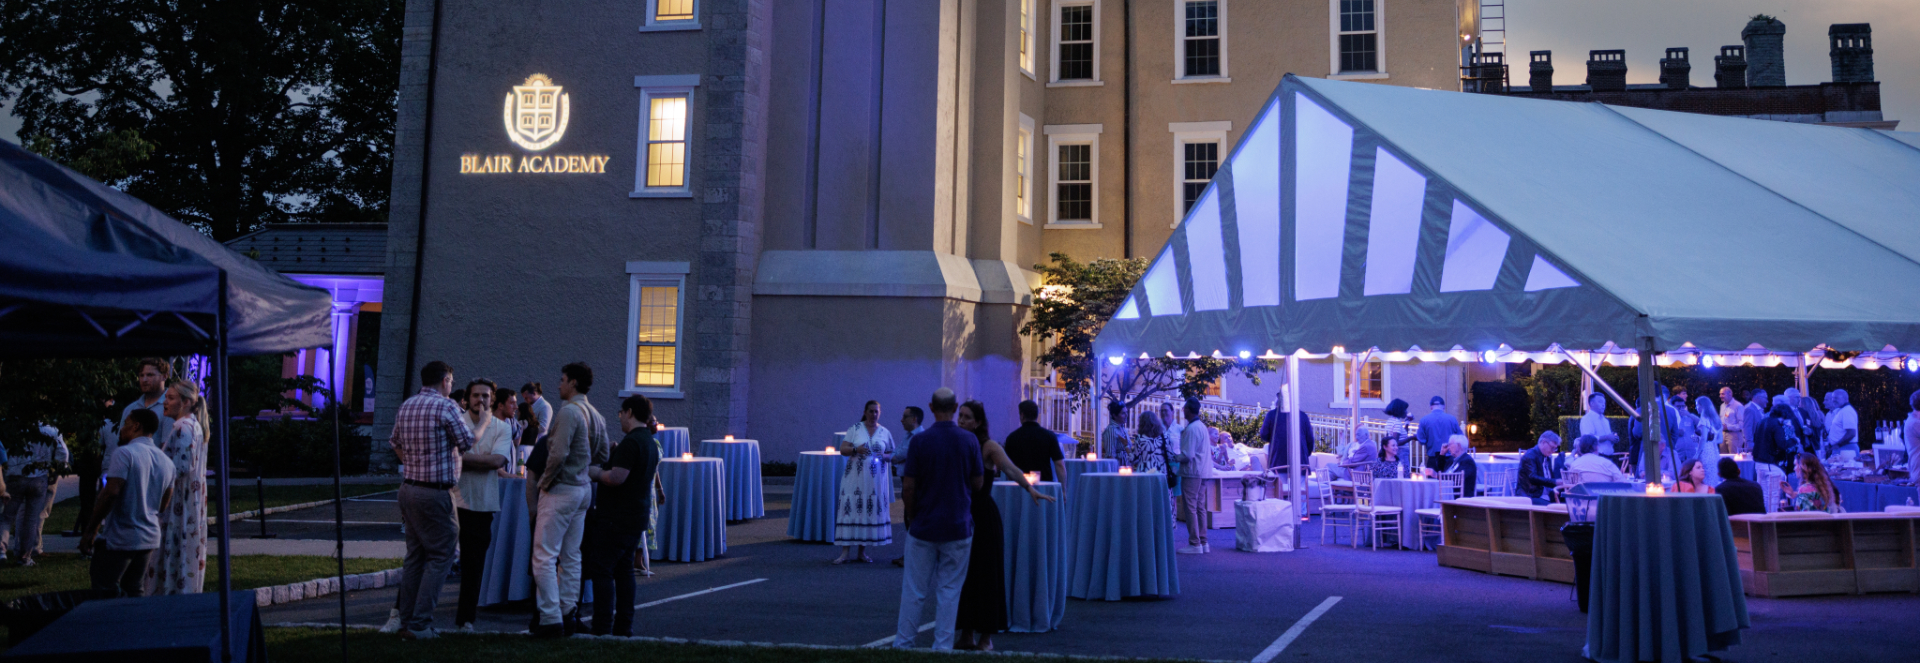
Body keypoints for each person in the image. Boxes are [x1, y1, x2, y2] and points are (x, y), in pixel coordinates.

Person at [378, 361, 476, 639]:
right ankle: (420, 624)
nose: (451, 386)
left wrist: (414, 464)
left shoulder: (407, 405)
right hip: (435, 492)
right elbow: (467, 442)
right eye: (451, 382)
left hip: (408, 488)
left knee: (415, 556)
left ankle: (406, 619)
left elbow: (394, 442)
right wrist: (481, 424)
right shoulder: (447, 407)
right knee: (443, 554)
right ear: (445, 380)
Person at [952, 400, 1053, 651]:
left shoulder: (989, 446)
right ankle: (966, 633)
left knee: (986, 575)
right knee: (963, 576)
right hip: (961, 513)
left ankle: (986, 637)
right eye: (960, 416)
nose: (961, 421)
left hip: (983, 517)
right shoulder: (956, 442)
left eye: (967, 417)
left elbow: (1010, 468)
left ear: (978, 422)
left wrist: (1029, 488)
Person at [893, 388, 984, 651]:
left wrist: (913, 515)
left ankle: (904, 643)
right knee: (950, 590)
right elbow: (978, 483)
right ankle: (943, 646)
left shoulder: (920, 441)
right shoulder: (969, 440)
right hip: (957, 525)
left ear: (931, 407)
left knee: (914, 590)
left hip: (924, 524)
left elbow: (908, 486)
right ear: (955, 408)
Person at [531, 363, 610, 638]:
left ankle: (550, 618)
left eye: (563, 379)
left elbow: (557, 454)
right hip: (583, 488)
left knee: (544, 555)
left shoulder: (568, 412)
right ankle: (567, 612)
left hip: (562, 488)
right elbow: (602, 453)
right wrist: (583, 463)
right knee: (571, 555)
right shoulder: (595, 414)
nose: (559, 384)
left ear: (573, 382)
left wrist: (545, 482)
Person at [583, 395, 662, 637]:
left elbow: (617, 477)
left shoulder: (632, 442)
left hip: (616, 518)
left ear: (629, 412)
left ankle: (602, 626)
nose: (620, 419)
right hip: (636, 516)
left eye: (621, 414)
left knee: (602, 570)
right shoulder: (649, 442)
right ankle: (623, 626)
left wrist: (595, 472)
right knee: (624, 571)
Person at [82, 409, 174, 596]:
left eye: (125, 424)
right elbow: (163, 505)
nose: (122, 429)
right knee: (134, 590)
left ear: (136, 426)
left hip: (121, 536)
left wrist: (91, 530)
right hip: (149, 537)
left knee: (104, 588)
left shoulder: (124, 454)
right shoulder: (167, 462)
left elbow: (110, 493)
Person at [452, 379, 512, 631]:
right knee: (429, 559)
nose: (480, 400)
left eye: (485, 396)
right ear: (467, 399)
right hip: (451, 501)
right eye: (476, 395)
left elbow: (497, 461)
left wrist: (460, 458)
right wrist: (479, 460)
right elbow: (455, 457)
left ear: (492, 399)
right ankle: (404, 615)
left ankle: (465, 621)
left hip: (482, 505)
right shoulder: (456, 422)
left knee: (473, 566)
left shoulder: (502, 428)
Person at [148, 381, 207, 594]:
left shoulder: (184, 427)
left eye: (171, 398)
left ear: (186, 402)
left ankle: (171, 593)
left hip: (179, 500)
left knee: (175, 548)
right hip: (188, 499)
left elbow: (180, 467)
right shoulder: (191, 425)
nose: (165, 402)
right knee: (182, 550)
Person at [835, 400, 895, 564]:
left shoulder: (884, 432)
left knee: (867, 511)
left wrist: (885, 456)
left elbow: (892, 453)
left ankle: (862, 552)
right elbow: (843, 449)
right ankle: (844, 552)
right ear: (865, 412)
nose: (873, 414)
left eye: (876, 411)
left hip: (875, 481)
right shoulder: (855, 429)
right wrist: (856, 449)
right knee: (851, 509)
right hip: (854, 478)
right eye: (871, 411)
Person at [1, 423, 67, 566]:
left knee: (7, 516)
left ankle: (2, 550)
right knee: (31, 519)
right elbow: (63, 453)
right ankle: (25, 556)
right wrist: (55, 469)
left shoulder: (12, 427)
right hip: (39, 477)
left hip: (15, 475)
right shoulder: (51, 430)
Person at [890, 406, 927, 568]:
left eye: (904, 417)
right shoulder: (908, 436)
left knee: (912, 517)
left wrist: (891, 457)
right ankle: (911, 554)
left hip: (913, 483)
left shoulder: (918, 438)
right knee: (908, 517)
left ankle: (914, 556)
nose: (901, 420)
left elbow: (898, 455)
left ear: (914, 419)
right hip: (906, 480)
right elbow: (897, 453)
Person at [115, 359, 175, 457]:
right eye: (141, 375)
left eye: (150, 375)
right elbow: (121, 442)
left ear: (164, 376)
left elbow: (168, 449)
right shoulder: (130, 409)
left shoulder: (170, 408)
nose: (144, 380)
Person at [1175, 398, 1212, 554]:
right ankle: (1203, 542)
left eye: (1184, 408)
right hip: (1203, 471)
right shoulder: (1202, 426)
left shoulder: (1191, 429)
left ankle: (1194, 543)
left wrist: (1174, 457)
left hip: (1192, 472)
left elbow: (1188, 455)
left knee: (1190, 507)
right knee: (1200, 507)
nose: (1183, 411)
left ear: (1188, 410)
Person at [1003, 401, 1066, 483]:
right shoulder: (1049, 436)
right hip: (1044, 485)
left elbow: (1008, 467)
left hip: (1019, 485)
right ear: (1037, 415)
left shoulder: (1012, 438)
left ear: (1022, 415)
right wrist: (1063, 488)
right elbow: (1059, 464)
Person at [1257, 388, 1317, 473]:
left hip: (1278, 465)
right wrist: (1304, 455)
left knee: (1279, 481)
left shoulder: (1271, 415)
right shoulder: (1303, 416)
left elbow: (1264, 435)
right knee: (1301, 481)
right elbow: (1310, 441)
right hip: (1301, 466)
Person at [1422, 434, 1477, 500]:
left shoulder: (1467, 461)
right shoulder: (1452, 460)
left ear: (1458, 446)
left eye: (1450, 444)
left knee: (1429, 496)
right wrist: (1442, 454)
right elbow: (1441, 468)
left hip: (1458, 496)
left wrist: (1436, 475)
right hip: (1447, 493)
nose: (1448, 447)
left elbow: (1457, 477)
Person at [1416, 396, 1464, 468]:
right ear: (1444, 406)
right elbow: (1460, 437)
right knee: (1449, 475)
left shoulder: (1423, 420)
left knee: (1432, 475)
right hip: (1449, 458)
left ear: (1431, 407)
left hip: (1433, 459)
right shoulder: (1452, 419)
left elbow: (1422, 440)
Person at [1565, 435, 1632, 486]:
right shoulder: (1607, 463)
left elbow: (1571, 485)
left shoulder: (1574, 465)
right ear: (1597, 447)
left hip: (1581, 499)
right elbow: (1623, 483)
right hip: (1604, 499)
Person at [1517, 431, 1562, 504]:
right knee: (1555, 507)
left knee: (1568, 501)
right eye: (1552, 448)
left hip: (1543, 495)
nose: (1553, 451)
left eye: (1555, 448)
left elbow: (1549, 477)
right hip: (1531, 496)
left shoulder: (1547, 457)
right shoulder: (1530, 456)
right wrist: (1555, 482)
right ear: (1543, 442)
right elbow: (1532, 477)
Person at [1692, 397, 1724, 488]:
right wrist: (1711, 441)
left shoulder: (1704, 419)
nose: (1696, 408)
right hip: (1714, 451)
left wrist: (1697, 454)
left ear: (1702, 406)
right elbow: (1720, 440)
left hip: (1705, 451)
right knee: (1713, 476)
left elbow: (1703, 438)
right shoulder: (1716, 420)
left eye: (1697, 405)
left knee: (1705, 478)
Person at [1825, 389, 1859, 459]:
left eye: (1836, 398)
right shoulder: (1842, 410)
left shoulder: (1847, 411)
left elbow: (1851, 433)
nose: (1833, 400)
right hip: (1843, 449)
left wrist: (1837, 445)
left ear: (1845, 398)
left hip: (1846, 450)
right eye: (1833, 398)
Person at [1719, 388, 1746, 454]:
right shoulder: (1722, 406)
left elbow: (1742, 425)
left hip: (1734, 435)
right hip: (1723, 435)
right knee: (1723, 457)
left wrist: (1727, 427)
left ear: (1730, 394)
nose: (1720, 396)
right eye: (1720, 394)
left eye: (1723, 394)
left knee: (1734, 457)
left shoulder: (1738, 406)